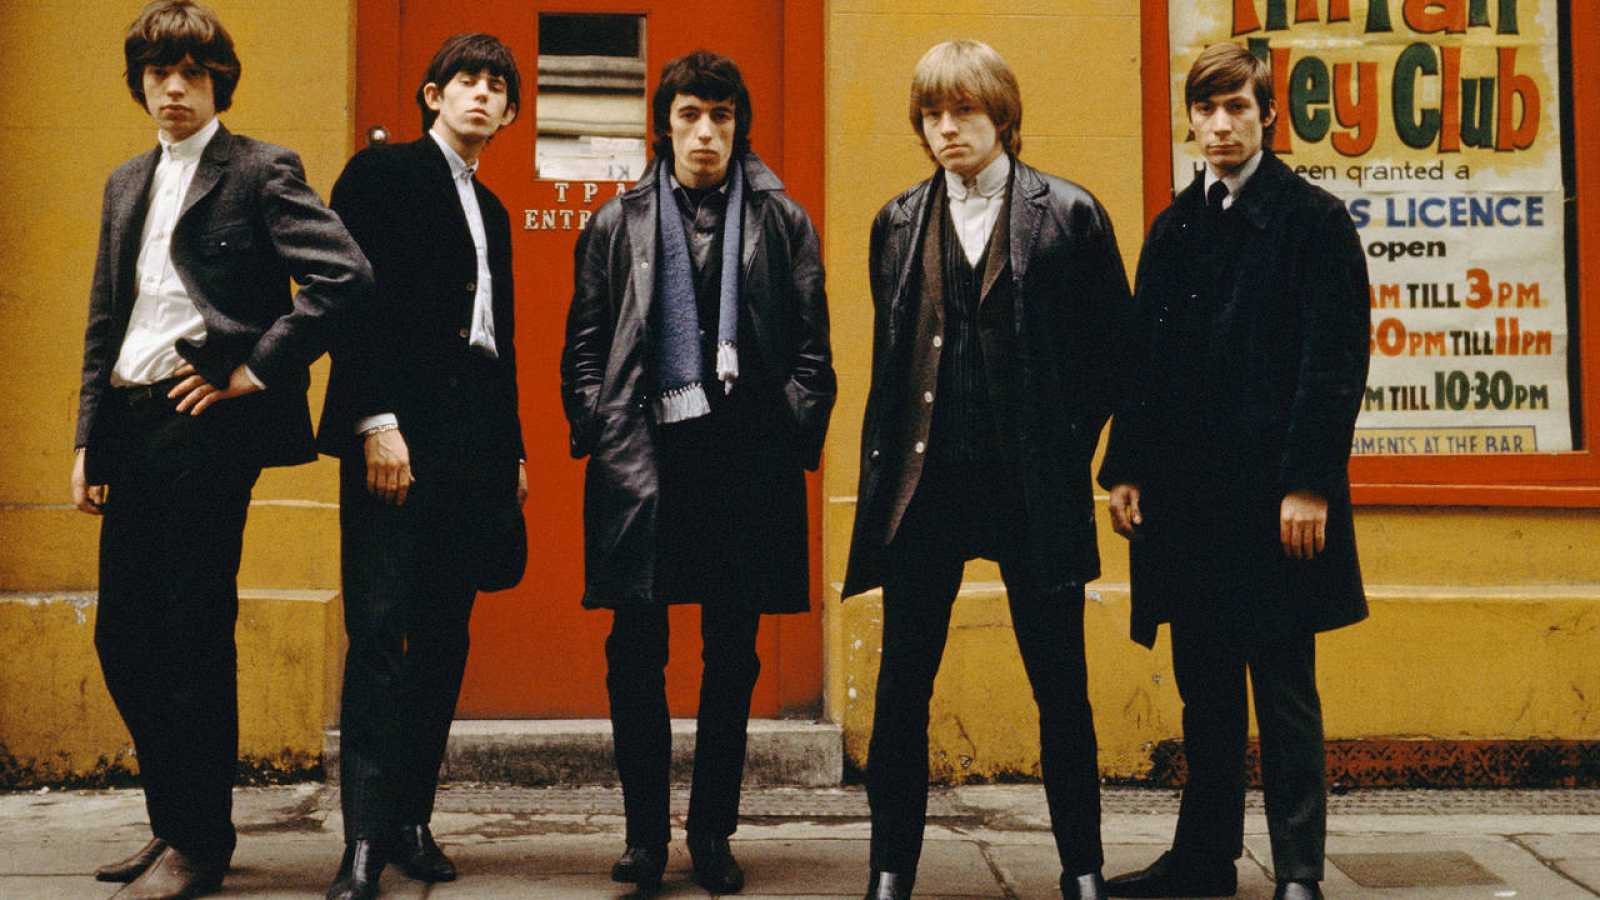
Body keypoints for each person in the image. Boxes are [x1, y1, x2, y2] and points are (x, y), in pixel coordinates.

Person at [71, 2, 371, 897]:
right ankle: (178, 822)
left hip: (202, 426)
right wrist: (87, 439)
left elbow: (345, 276)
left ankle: (199, 843)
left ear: (217, 84)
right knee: (124, 638)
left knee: (191, 632)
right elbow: (106, 319)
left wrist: (255, 367)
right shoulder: (126, 182)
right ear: (141, 84)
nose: (173, 88)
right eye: (158, 73)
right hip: (130, 424)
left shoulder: (259, 170)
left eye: (191, 74)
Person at [841, 39, 1131, 900]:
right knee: (902, 688)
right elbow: (897, 361)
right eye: (932, 113)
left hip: (1030, 489)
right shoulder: (897, 222)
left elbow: (1114, 354)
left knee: (1061, 687)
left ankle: (1082, 869)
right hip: (926, 488)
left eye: (964, 110)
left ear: (1001, 115)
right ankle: (890, 870)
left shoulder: (1069, 213)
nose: (947, 128)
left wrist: (1064, 444)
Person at [1098, 41, 1370, 900]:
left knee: (1284, 690)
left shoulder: (1313, 223)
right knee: (1206, 692)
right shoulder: (1175, 227)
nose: (1220, 125)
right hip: (1189, 506)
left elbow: (1334, 364)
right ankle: (1204, 860)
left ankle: (1299, 872)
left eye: (1237, 108)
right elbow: (1142, 363)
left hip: (1274, 501)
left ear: (1268, 117)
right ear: (1190, 119)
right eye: (1206, 109)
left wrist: (1309, 482)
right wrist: (1125, 468)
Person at [561, 49, 835, 895]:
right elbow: (584, 344)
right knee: (635, 652)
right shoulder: (617, 221)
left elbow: (813, 350)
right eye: (689, 116)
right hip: (646, 463)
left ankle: (712, 833)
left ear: (738, 125)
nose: (706, 132)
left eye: (721, 116)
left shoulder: (782, 219)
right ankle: (645, 839)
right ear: (665, 126)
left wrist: (787, 424)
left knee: (732, 657)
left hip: (745, 465)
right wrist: (600, 425)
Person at [317, 32, 528, 900]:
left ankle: (410, 819)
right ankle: (363, 841)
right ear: (433, 95)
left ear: (508, 113)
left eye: (496, 87)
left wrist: (513, 448)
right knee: (379, 632)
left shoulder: (496, 210)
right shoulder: (381, 176)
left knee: (444, 635)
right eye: (466, 80)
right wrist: (373, 419)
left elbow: (496, 340)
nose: (481, 94)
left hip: (474, 445)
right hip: (396, 436)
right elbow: (349, 304)